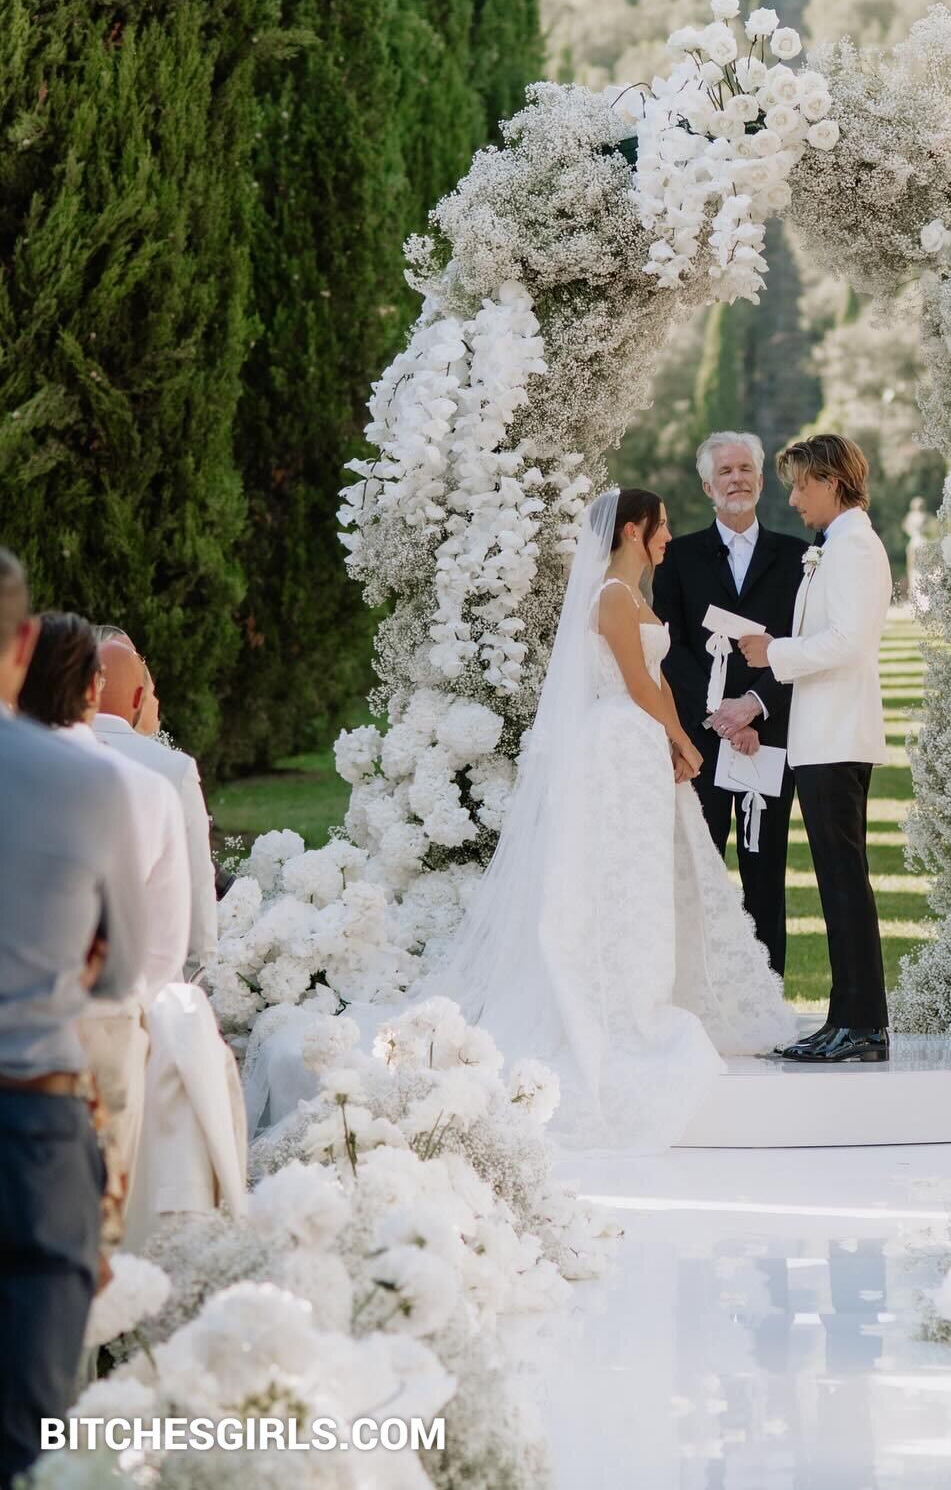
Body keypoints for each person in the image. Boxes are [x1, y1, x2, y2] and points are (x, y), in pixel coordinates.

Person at [250, 490, 794, 1151]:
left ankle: (645, 989)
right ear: (632, 530)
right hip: (618, 743)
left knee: (643, 875)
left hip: (637, 742)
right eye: (662, 525)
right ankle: (618, 1003)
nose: (668, 536)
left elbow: (656, 683)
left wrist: (672, 741)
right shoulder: (612, 597)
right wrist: (681, 740)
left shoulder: (631, 594)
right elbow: (636, 683)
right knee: (618, 874)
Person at [0, 552, 146, 1485]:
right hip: (32, 1123)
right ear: (22, 642)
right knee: (28, 1434)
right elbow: (122, 969)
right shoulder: (87, 783)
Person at [19, 615, 191, 1214]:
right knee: (97, 1209)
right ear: (95, 689)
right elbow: (167, 941)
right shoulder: (146, 788)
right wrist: (125, 1003)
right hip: (106, 1019)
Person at [740, 436, 893, 1064]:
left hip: (836, 736)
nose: (794, 499)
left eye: (802, 485)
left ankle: (863, 1025)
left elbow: (850, 642)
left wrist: (774, 652)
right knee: (836, 884)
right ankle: (846, 1018)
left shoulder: (853, 546)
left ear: (831, 481)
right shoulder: (836, 544)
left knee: (844, 884)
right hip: (822, 736)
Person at [652, 431, 806, 977]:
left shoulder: (799, 558)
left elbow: (802, 643)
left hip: (770, 733)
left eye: (745, 469)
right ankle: (699, 992)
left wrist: (755, 707)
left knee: (766, 869)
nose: (736, 479)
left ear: (761, 480)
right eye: (725, 472)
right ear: (707, 487)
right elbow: (671, 647)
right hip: (702, 739)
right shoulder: (678, 556)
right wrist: (722, 715)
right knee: (700, 870)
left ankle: (768, 996)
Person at [95, 634, 217, 976]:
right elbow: (196, 883)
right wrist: (194, 971)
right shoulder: (173, 769)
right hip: (149, 978)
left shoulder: (38, 758)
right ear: (138, 697)